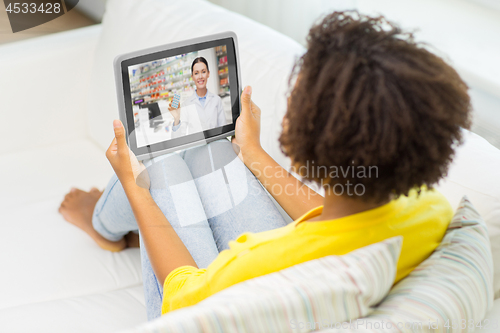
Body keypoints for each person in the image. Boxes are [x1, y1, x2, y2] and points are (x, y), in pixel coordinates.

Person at [58, 11, 471, 320]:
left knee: (162, 169)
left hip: (205, 307)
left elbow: (183, 296)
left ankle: (104, 225)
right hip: (303, 259)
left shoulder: (257, 261)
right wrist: (253, 152)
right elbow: (339, 216)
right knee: (213, 152)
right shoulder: (429, 209)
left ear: (306, 140)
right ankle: (123, 223)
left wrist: (136, 189)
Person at [167, 57, 227, 138]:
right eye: (196, 73)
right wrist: (177, 119)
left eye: (203, 72)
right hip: (197, 149)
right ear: (192, 77)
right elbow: (178, 139)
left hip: (215, 147)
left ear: (208, 74)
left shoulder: (217, 100)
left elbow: (224, 132)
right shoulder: (186, 104)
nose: (200, 76)